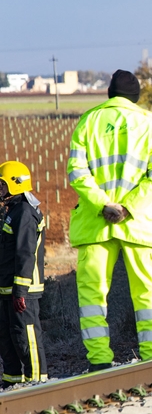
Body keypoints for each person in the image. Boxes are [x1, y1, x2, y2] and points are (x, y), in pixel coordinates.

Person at [67, 69, 152, 371]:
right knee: (149, 292)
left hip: (95, 223)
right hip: (142, 224)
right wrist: (128, 207)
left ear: (110, 95)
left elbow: (77, 173)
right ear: (136, 97)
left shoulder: (88, 121)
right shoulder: (150, 124)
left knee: (92, 294)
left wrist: (105, 205)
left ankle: (99, 362)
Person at [0, 161, 47, 387]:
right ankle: (13, 384)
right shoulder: (13, 211)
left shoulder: (25, 213)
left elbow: (25, 254)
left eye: (2, 185)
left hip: (23, 291)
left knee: (25, 337)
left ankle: (37, 384)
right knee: (8, 339)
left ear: (15, 184)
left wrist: (20, 291)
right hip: (8, 289)